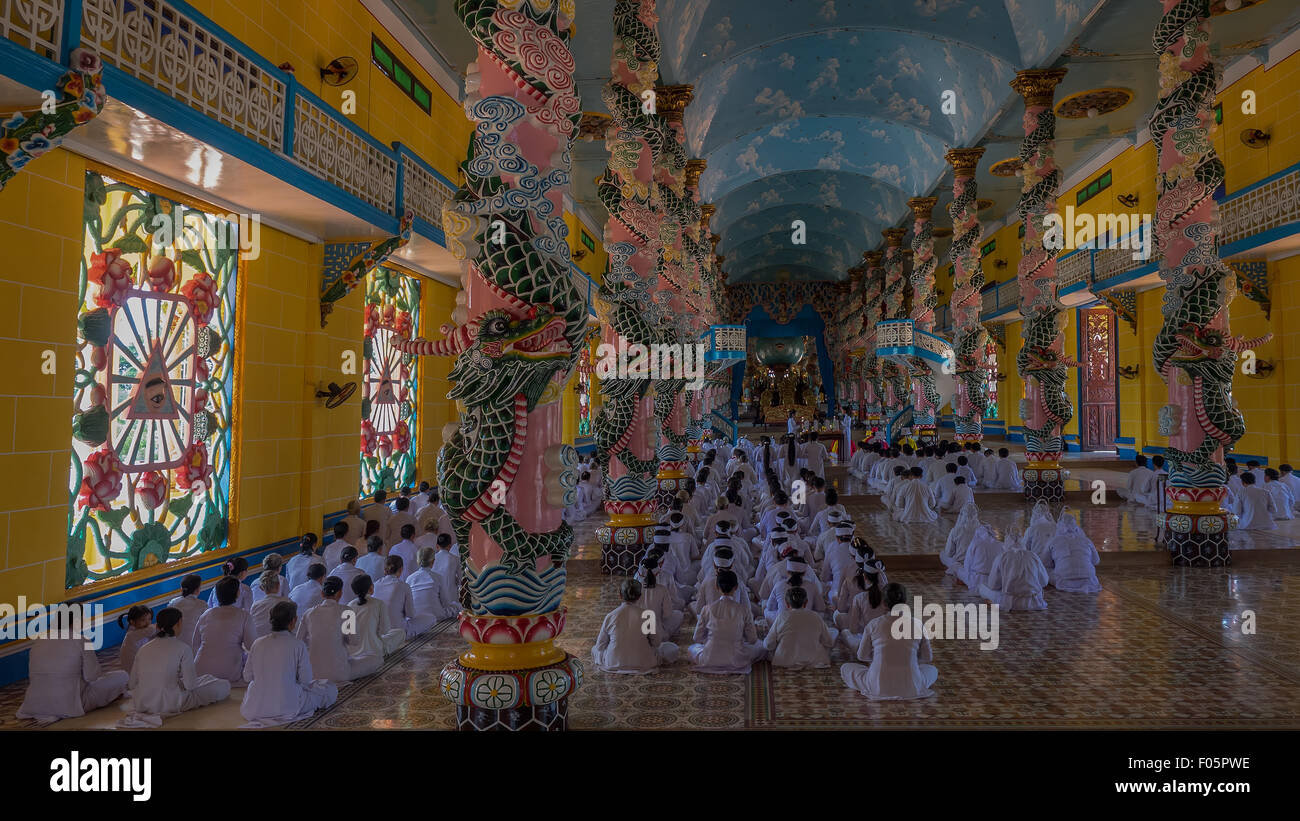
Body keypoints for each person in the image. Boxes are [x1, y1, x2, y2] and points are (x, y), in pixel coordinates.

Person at [240, 601, 338, 727]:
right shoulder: (297, 644)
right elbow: (306, 680)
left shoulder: (258, 643)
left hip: (255, 707)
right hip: (288, 704)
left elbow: (247, 677)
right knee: (330, 689)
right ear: (293, 621)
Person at [16, 613, 129, 723]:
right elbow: (92, 676)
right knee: (122, 676)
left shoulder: (39, 641)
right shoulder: (83, 640)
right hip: (71, 704)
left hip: (34, 703)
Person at [125, 607, 231, 722]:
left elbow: (131, 684)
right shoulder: (183, 648)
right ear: (179, 623)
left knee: (207, 678)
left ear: (157, 627)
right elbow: (191, 686)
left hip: (142, 703)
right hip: (172, 703)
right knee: (223, 685)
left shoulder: (143, 649)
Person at [840, 582, 938, 701]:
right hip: (911, 686)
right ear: (905, 603)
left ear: (884, 604)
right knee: (932, 670)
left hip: (878, 685)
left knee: (846, 668)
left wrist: (881, 657)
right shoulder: (917, 624)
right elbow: (927, 658)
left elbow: (862, 656)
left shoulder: (874, 624)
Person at [296, 577, 382, 683]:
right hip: (339, 672)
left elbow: (298, 642)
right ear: (340, 593)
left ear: (322, 594)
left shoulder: (309, 613)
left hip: (313, 673)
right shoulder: (346, 612)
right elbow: (354, 641)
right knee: (376, 659)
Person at [592, 579, 679, 674]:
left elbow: (600, 646)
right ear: (640, 596)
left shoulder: (611, 616)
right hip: (645, 663)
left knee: (594, 649)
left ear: (620, 595)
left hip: (613, 663)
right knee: (671, 648)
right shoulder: (648, 615)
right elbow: (656, 643)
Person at [689, 570, 766, 674]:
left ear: (716, 587)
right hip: (736, 658)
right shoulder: (743, 609)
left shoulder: (707, 609)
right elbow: (752, 639)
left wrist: (711, 639)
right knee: (761, 646)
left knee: (692, 648)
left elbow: (696, 638)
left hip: (709, 658)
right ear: (736, 587)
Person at [194, 576, 257, 685]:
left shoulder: (206, 614)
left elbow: (195, 643)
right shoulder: (243, 615)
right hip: (228, 672)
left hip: (200, 670)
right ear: (237, 594)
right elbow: (251, 646)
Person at [763, 586, 833, 669]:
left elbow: (768, 644)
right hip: (814, 659)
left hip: (785, 660)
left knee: (767, 647)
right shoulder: (815, 616)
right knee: (833, 631)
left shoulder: (782, 616)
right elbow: (828, 642)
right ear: (806, 602)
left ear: (787, 604)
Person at [980, 530, 1049, 611]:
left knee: (982, 587)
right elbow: (1044, 582)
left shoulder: (1002, 557)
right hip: (1034, 602)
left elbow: (993, 585)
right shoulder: (1033, 556)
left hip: (1010, 603)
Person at [375, 555, 436, 639]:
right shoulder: (403, 586)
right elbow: (411, 614)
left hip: (379, 632)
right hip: (399, 632)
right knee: (431, 618)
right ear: (401, 569)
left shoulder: (375, 585)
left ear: (385, 569)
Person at [1045, 511, 1101, 592]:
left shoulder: (1054, 541)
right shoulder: (1086, 540)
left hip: (1064, 580)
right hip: (1088, 579)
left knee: (1045, 570)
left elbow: (1046, 563)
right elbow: (1096, 561)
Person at [408, 545, 459, 621]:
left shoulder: (410, 578)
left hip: (416, 616)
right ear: (433, 561)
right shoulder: (438, 577)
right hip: (436, 615)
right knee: (457, 606)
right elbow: (446, 603)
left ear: (418, 561)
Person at [167, 574, 208, 650]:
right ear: (197, 590)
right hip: (194, 644)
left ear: (181, 588)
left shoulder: (173, 603)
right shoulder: (202, 605)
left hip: (175, 644)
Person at [250, 571, 294, 640]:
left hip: (260, 642)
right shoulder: (288, 602)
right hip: (282, 642)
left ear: (261, 588)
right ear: (278, 585)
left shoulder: (255, 606)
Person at [116, 604, 153, 675]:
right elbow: (152, 630)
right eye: (143, 620)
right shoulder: (132, 634)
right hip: (133, 671)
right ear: (132, 622)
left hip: (137, 666)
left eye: (149, 619)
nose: (147, 622)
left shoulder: (138, 631)